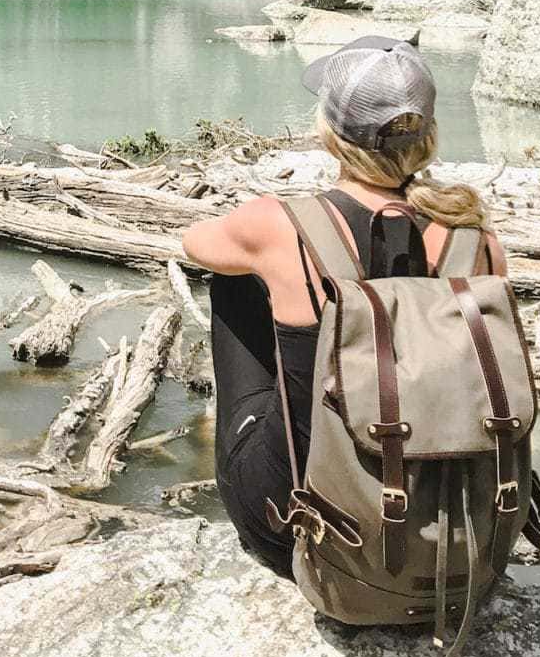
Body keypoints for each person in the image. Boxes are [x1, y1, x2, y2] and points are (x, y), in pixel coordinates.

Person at [181, 35, 506, 579]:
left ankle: (281, 457)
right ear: (427, 135)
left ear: (329, 133)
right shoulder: (477, 241)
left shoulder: (280, 223)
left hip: (305, 525)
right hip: (450, 522)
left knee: (235, 282)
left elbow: (194, 241)